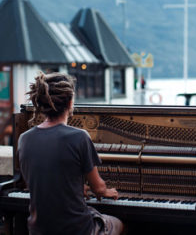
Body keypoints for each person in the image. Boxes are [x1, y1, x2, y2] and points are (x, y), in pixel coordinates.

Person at [18, 72, 124, 235]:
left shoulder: (24, 139)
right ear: (70, 102)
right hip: (76, 230)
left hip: (37, 229)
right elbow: (99, 188)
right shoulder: (79, 136)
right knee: (118, 224)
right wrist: (109, 191)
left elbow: (39, 178)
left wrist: (71, 186)